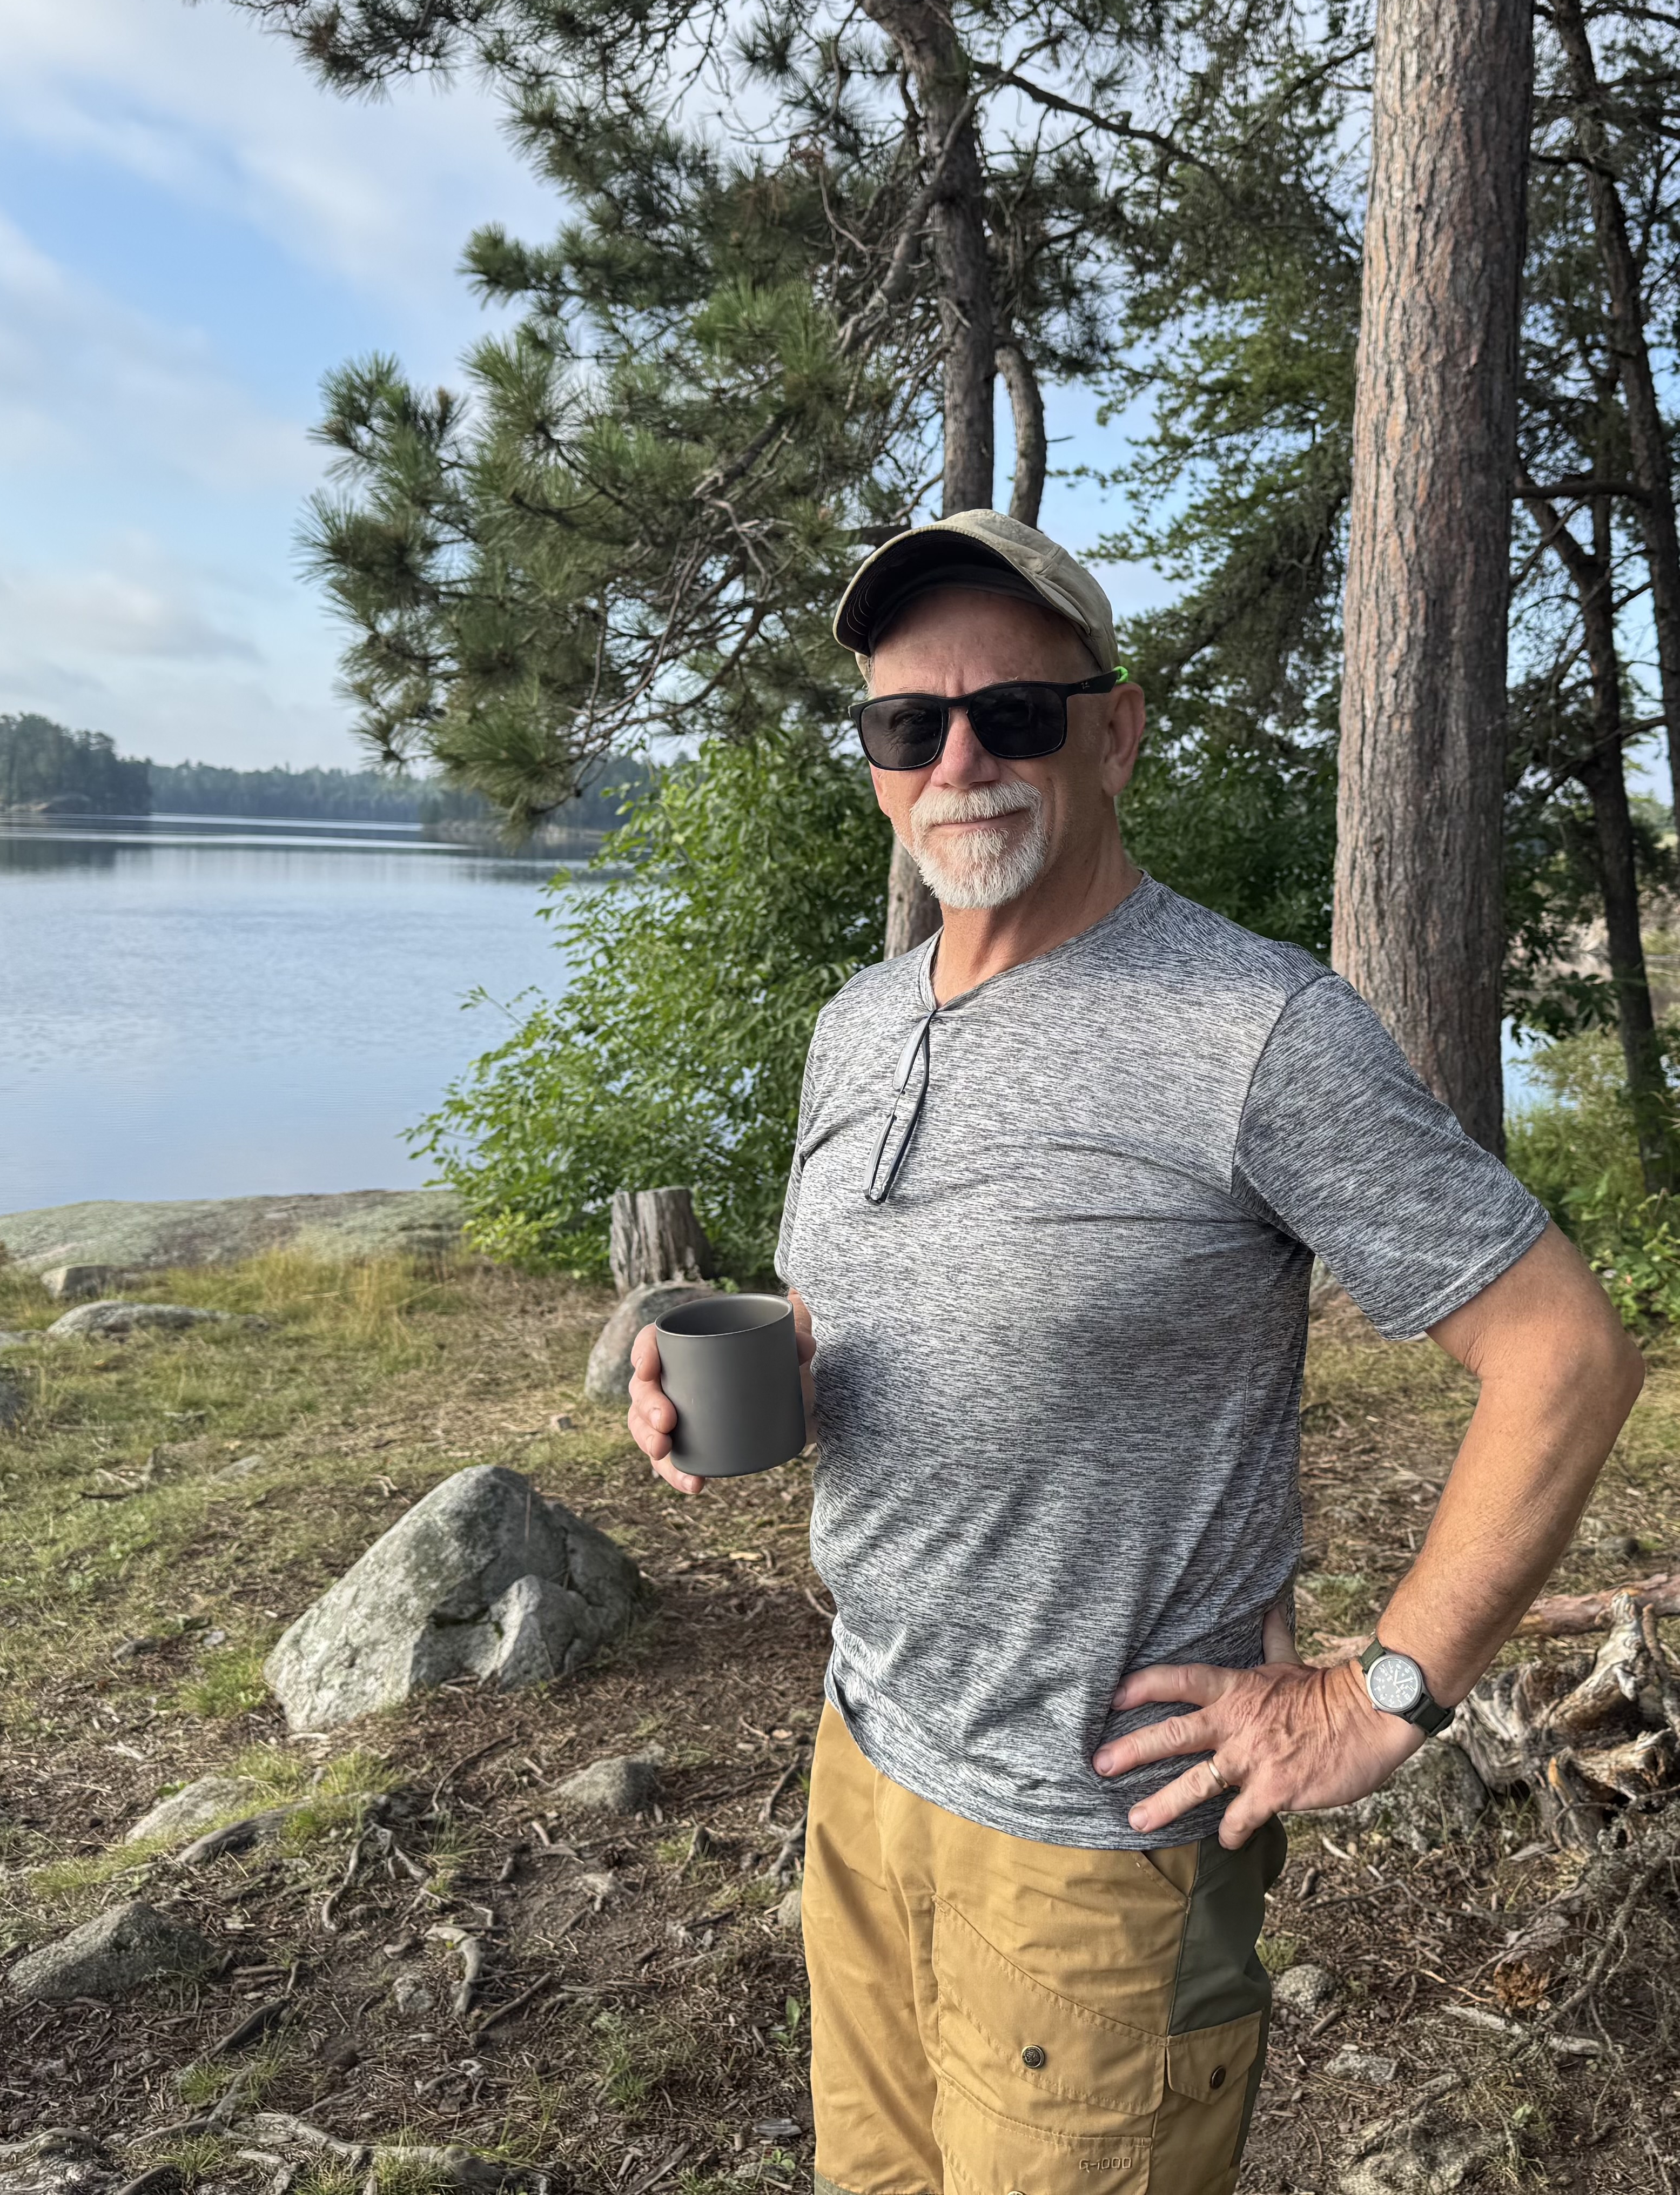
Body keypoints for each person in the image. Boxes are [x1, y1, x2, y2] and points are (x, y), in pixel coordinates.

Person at [627, 510, 1644, 2195]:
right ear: (875, 760)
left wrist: (1383, 1694)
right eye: (909, 723)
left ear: (1114, 731)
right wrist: (748, 1373)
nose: (960, 761)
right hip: (863, 1770)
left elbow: (1567, 1354)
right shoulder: (859, 1025)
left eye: (1014, 714)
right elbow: (854, 1327)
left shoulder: (1251, 1031)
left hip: (1096, 1860)